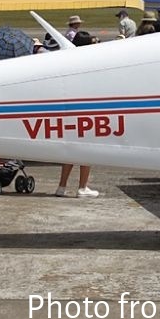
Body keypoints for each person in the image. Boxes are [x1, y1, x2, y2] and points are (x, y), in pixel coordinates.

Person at [55, 29, 99, 198]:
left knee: (71, 151)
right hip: (85, 110)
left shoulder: (68, 60)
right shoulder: (87, 62)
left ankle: (62, 186)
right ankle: (82, 187)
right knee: (87, 150)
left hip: (70, 110)